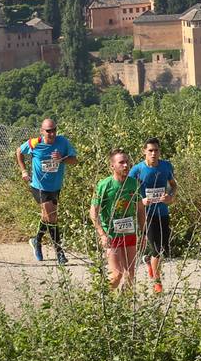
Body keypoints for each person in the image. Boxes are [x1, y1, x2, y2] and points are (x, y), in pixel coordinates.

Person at [17, 118, 78, 265]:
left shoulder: (63, 142)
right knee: (52, 216)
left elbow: (75, 161)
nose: (52, 133)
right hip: (39, 186)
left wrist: (62, 159)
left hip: (55, 186)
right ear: (42, 131)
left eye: (54, 130)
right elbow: (19, 151)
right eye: (48, 131)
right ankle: (59, 252)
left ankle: (36, 240)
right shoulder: (35, 143)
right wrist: (24, 171)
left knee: (48, 217)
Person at [90, 149, 146, 290]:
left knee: (130, 274)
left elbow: (140, 209)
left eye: (127, 162)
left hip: (129, 232)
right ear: (112, 166)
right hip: (111, 234)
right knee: (116, 274)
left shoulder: (134, 184)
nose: (126, 165)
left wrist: (144, 232)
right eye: (121, 162)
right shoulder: (104, 185)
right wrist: (102, 234)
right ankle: (104, 301)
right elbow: (93, 212)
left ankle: (124, 307)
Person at [132, 137, 176, 294]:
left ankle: (149, 262)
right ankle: (157, 283)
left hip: (163, 213)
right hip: (146, 215)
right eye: (150, 150)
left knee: (163, 247)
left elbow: (173, 185)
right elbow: (128, 190)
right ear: (144, 151)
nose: (153, 153)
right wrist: (140, 201)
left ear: (159, 151)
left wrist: (170, 197)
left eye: (156, 150)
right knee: (157, 248)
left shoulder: (166, 166)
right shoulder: (137, 170)